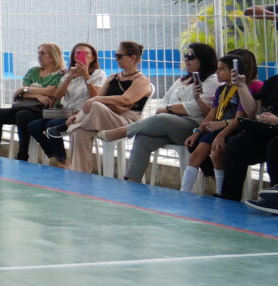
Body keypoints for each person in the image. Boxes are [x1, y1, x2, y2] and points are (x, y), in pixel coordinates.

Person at [100, 41, 217, 182]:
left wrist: (170, 109)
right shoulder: (182, 80)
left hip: (194, 128)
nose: (186, 59)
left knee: (163, 119)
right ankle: (132, 182)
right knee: (142, 138)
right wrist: (169, 109)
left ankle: (123, 131)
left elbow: (195, 107)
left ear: (203, 59)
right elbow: (163, 101)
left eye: (191, 56)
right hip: (170, 126)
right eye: (185, 55)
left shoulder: (212, 80)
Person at [57, 41, 152, 173]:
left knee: (95, 104)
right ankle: (80, 176)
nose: (116, 59)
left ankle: (69, 126)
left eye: (120, 56)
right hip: (104, 117)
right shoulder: (113, 77)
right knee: (79, 132)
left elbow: (126, 99)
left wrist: (98, 99)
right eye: (115, 55)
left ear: (133, 58)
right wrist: (77, 115)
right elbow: (98, 99)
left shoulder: (141, 80)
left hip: (126, 122)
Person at [179, 50, 256, 193]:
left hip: (231, 130)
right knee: (195, 155)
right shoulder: (220, 90)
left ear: (234, 72)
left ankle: (221, 193)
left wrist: (221, 135)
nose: (218, 72)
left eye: (222, 69)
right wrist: (196, 132)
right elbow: (212, 115)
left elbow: (240, 118)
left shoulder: (242, 90)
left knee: (216, 154)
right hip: (215, 129)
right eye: (217, 68)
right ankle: (184, 192)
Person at [213, 51, 277, 201]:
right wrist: (241, 86)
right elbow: (252, 110)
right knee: (237, 144)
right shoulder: (273, 82)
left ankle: (276, 196)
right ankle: (229, 197)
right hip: (267, 130)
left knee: (275, 145)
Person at [0, 42, 67, 159]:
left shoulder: (59, 74)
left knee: (22, 115)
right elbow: (21, 94)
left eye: (43, 53)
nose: (39, 56)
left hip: (43, 111)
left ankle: (23, 153)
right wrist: (35, 95)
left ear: (53, 56)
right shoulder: (33, 71)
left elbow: (50, 92)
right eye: (38, 53)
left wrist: (26, 90)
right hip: (25, 107)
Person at [26, 42, 104, 163]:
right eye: (77, 54)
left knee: (51, 125)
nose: (80, 56)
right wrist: (69, 77)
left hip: (83, 114)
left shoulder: (98, 74)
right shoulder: (68, 74)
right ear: (73, 57)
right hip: (65, 112)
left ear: (92, 57)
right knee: (33, 126)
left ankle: (61, 160)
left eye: (85, 54)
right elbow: (58, 96)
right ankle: (55, 156)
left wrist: (86, 76)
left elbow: (97, 96)